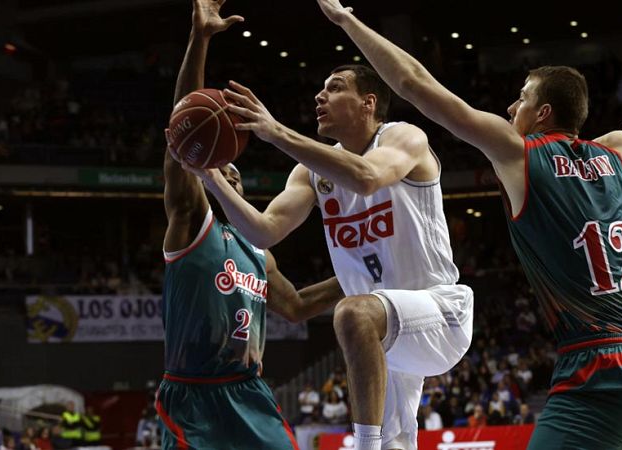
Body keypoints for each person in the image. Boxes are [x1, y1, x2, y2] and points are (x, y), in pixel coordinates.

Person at [317, 0, 622, 448]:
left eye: (522, 97)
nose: (511, 107)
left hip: (603, 367)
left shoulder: (520, 155)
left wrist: (347, 20)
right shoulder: (616, 153)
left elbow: (413, 83)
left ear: (543, 113)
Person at [183, 32, 473, 450]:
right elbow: (262, 230)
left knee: (352, 312)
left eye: (334, 88)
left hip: (440, 313)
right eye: (320, 89)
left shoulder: (403, 137)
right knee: (397, 441)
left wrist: (275, 131)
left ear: (368, 103)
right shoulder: (310, 173)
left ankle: (363, 447)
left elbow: (367, 176)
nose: (320, 96)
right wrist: (211, 177)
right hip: (386, 335)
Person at [159, 0, 344, 448]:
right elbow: (185, 127)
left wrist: (368, 272)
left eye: (234, 170)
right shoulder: (191, 224)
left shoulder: (258, 250)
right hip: (193, 395)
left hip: (248, 392)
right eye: (218, 167)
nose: (229, 172)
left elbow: (298, 306)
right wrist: (199, 39)